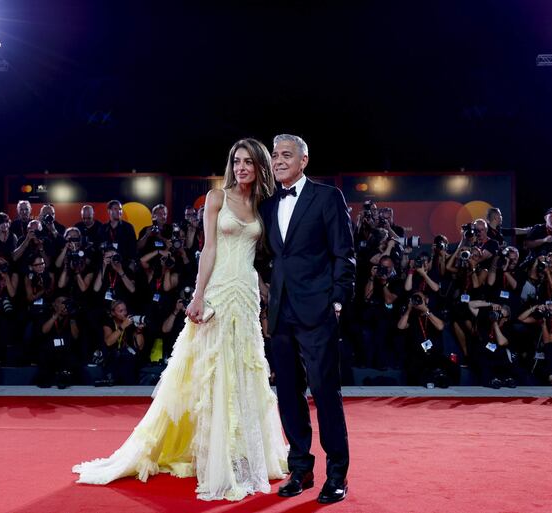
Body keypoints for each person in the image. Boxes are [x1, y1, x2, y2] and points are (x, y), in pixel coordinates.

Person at [73, 138, 287, 501]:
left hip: (246, 294)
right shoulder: (218, 199)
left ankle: (243, 452)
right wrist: (200, 294)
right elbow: (209, 250)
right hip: (219, 291)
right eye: (236, 161)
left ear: (259, 166)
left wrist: (267, 295)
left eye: (248, 162)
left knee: (244, 369)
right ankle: (215, 455)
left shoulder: (263, 205)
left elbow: (262, 256)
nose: (241, 169)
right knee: (214, 370)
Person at [260, 133, 355, 504]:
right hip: (281, 313)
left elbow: (344, 253)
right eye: (274, 155)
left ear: (304, 160)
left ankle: (337, 475)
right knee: (288, 395)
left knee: (325, 393)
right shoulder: (268, 205)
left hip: (319, 311)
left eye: (286, 154)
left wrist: (337, 301)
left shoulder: (328, 197)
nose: (279, 160)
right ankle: (300, 468)